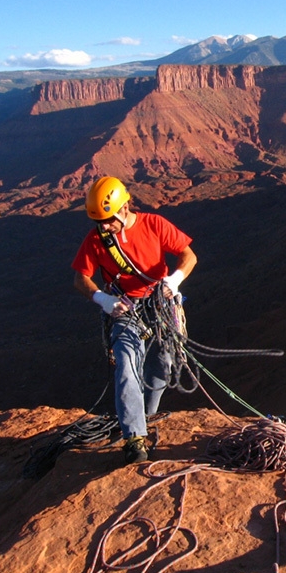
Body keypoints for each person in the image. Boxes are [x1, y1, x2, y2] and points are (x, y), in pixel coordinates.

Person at [72, 176, 197, 464]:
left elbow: (188, 256)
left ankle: (145, 418)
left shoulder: (154, 224)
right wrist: (104, 300)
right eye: (99, 222)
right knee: (127, 365)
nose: (104, 227)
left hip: (160, 305)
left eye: (108, 220)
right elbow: (81, 278)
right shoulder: (97, 240)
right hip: (125, 309)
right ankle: (134, 438)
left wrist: (175, 280)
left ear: (124, 208)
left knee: (161, 366)